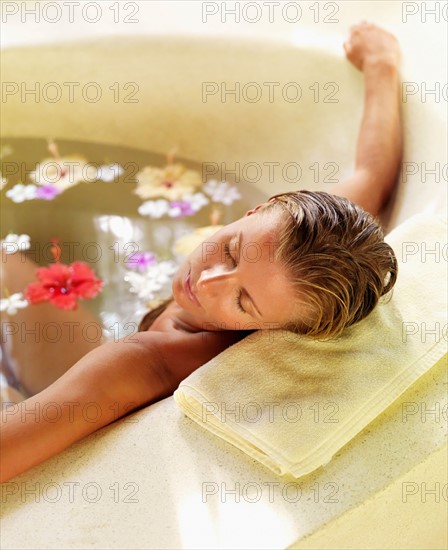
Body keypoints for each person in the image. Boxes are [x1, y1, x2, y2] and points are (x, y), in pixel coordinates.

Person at [0, 21, 402, 482]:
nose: (206, 284)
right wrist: (381, 65)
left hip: (49, 390)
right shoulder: (306, 262)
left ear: (273, 331)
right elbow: (373, 174)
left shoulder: (145, 360)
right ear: (258, 209)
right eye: (231, 252)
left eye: (242, 302)